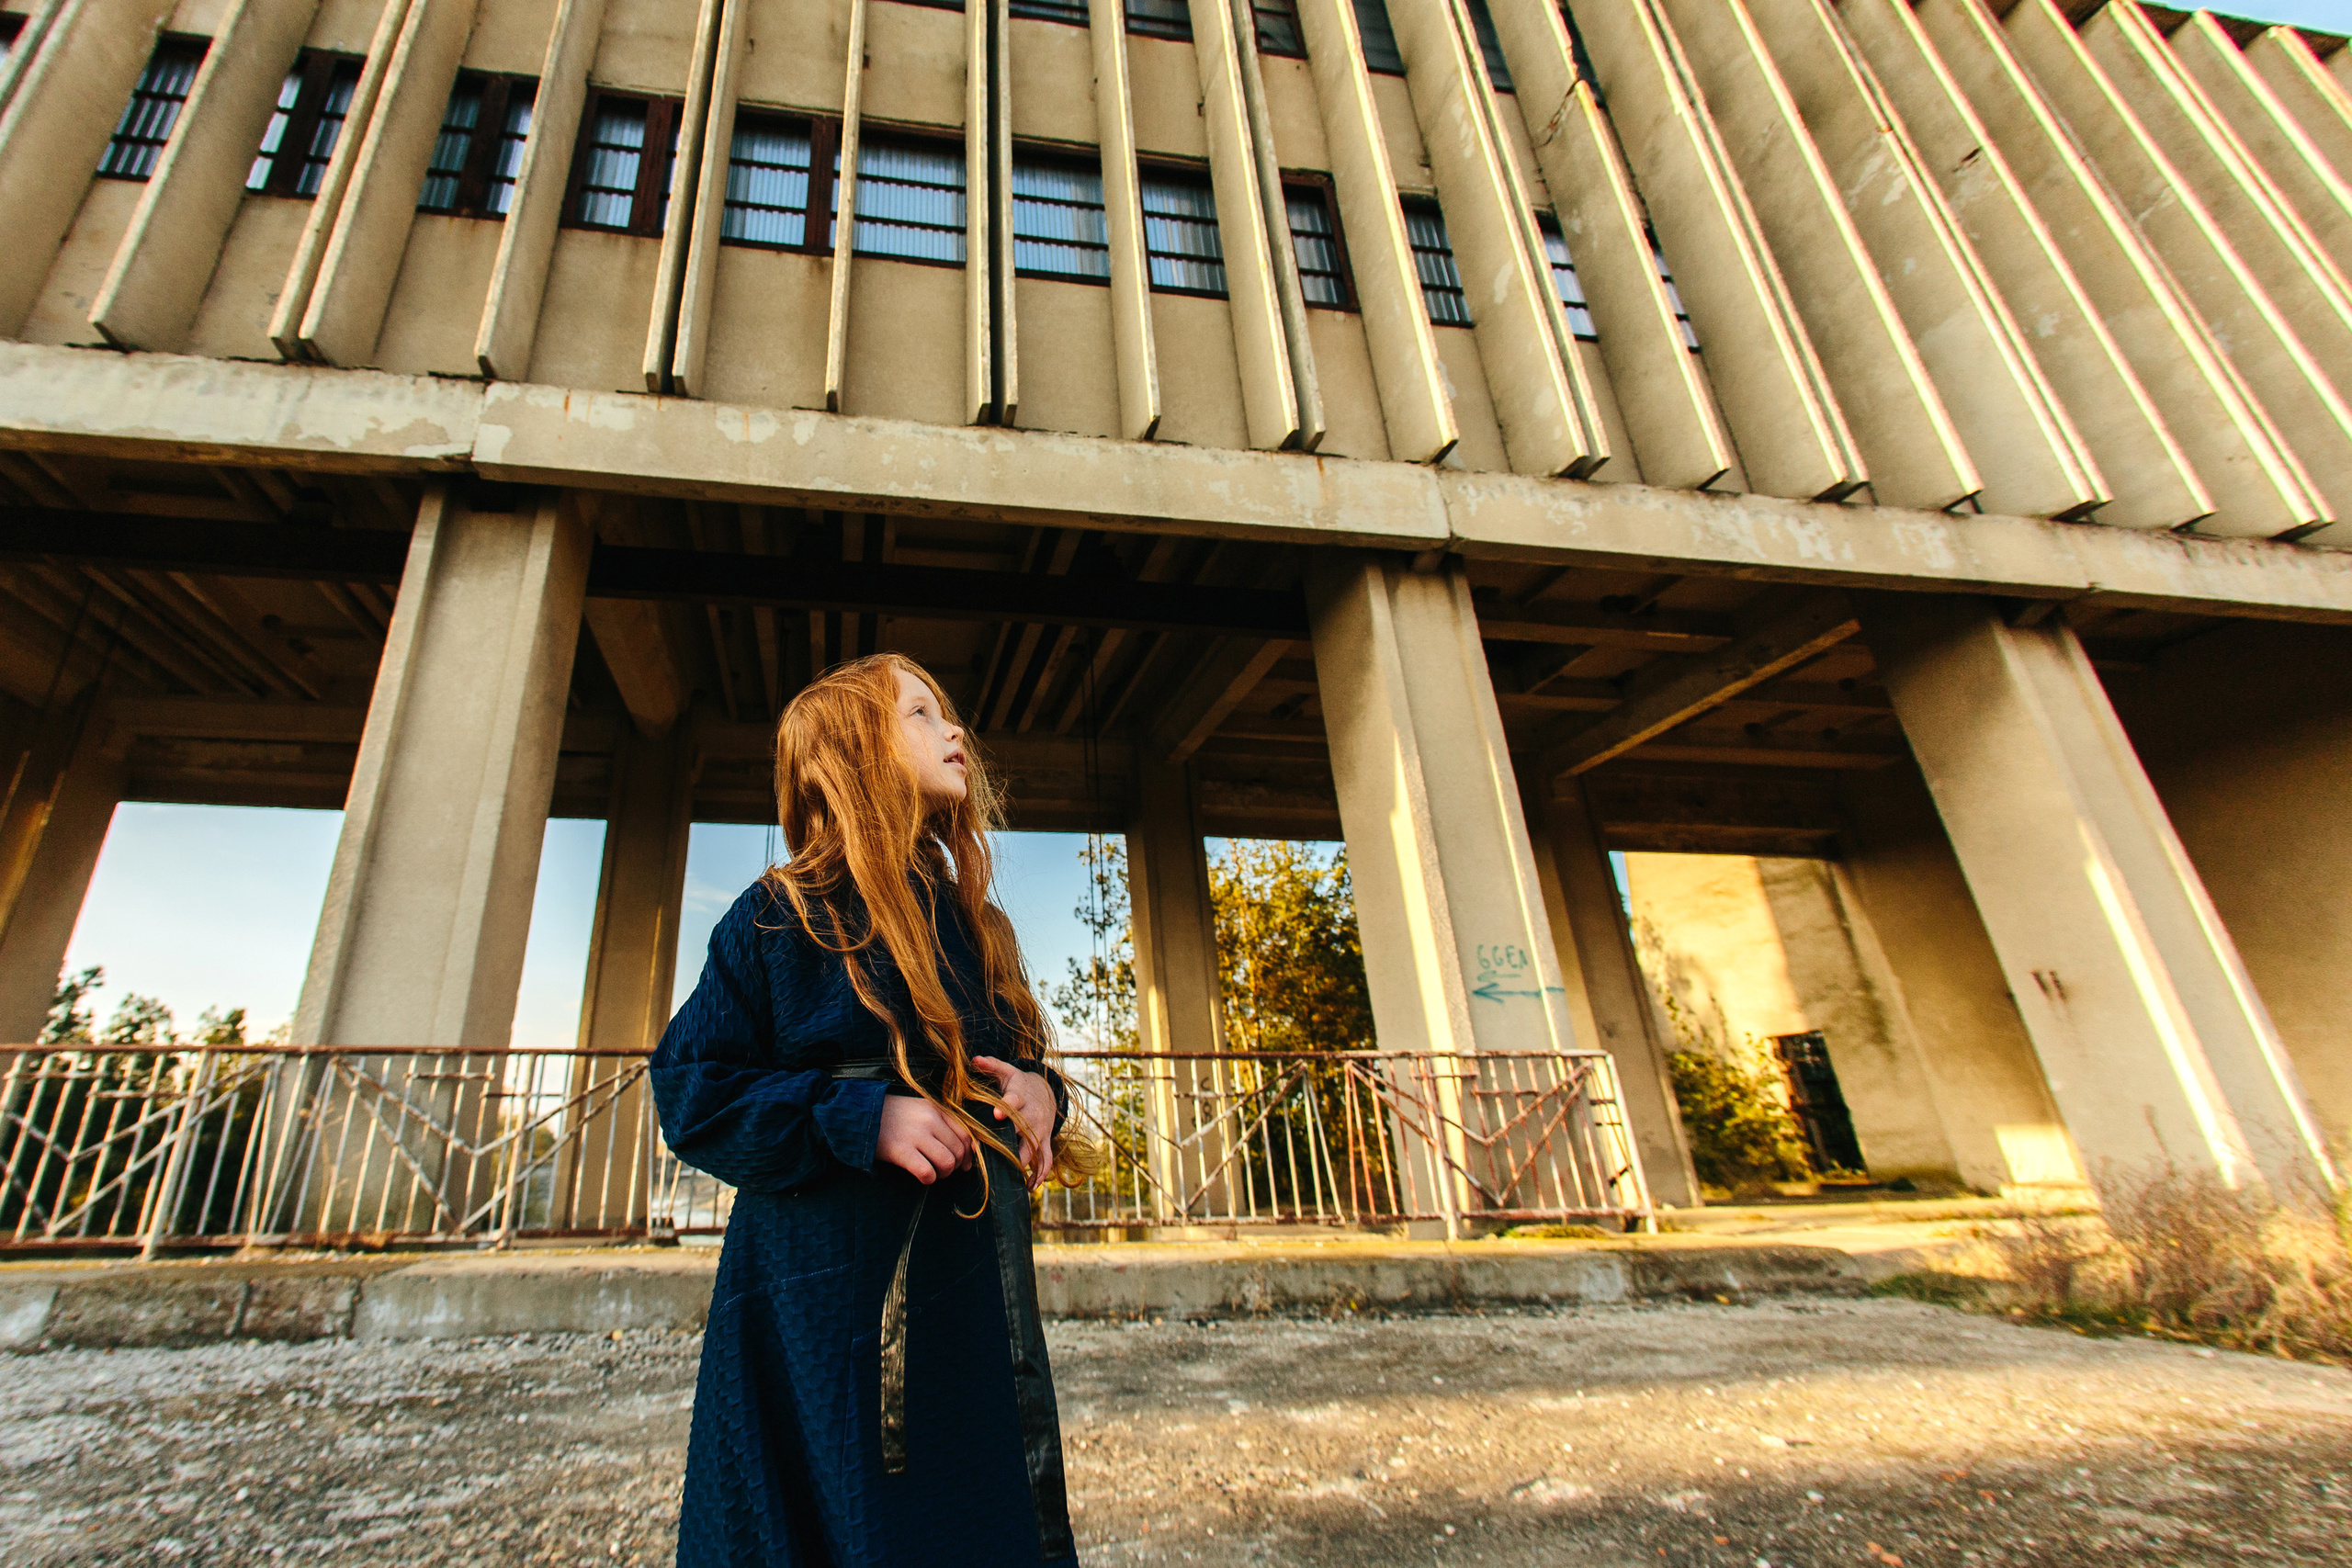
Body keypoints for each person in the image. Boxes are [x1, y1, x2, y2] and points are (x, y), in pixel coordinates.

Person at [651, 652, 1097, 1568]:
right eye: (923, 715)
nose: (955, 731)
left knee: (978, 1496)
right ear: (856, 751)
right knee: (857, 1511)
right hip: (828, 1289)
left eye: (946, 712)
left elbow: (1017, 1052)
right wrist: (863, 1116)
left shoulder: (972, 920)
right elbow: (689, 1085)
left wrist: (1040, 1091)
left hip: (966, 1279)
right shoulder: (779, 913)